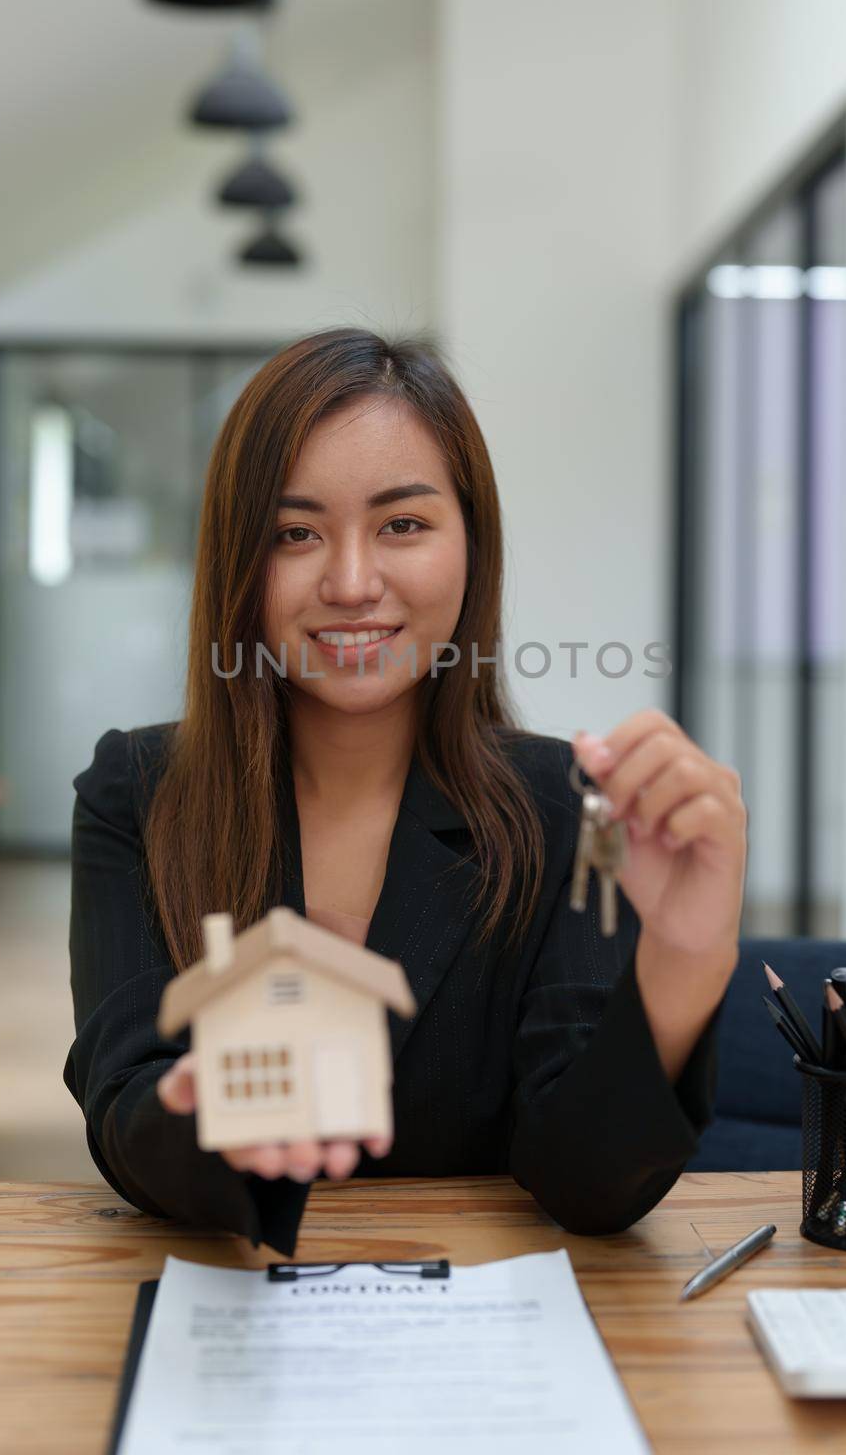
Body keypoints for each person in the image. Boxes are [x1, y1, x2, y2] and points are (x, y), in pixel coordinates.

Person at [65, 327, 746, 1257]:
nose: (350, 583)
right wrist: (202, 1120)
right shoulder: (138, 794)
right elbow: (125, 1112)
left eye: (402, 524)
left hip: (484, 1345)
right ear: (238, 561)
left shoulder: (567, 805)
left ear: (472, 544)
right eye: (293, 533)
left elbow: (585, 1182)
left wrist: (686, 954)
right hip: (230, 1313)